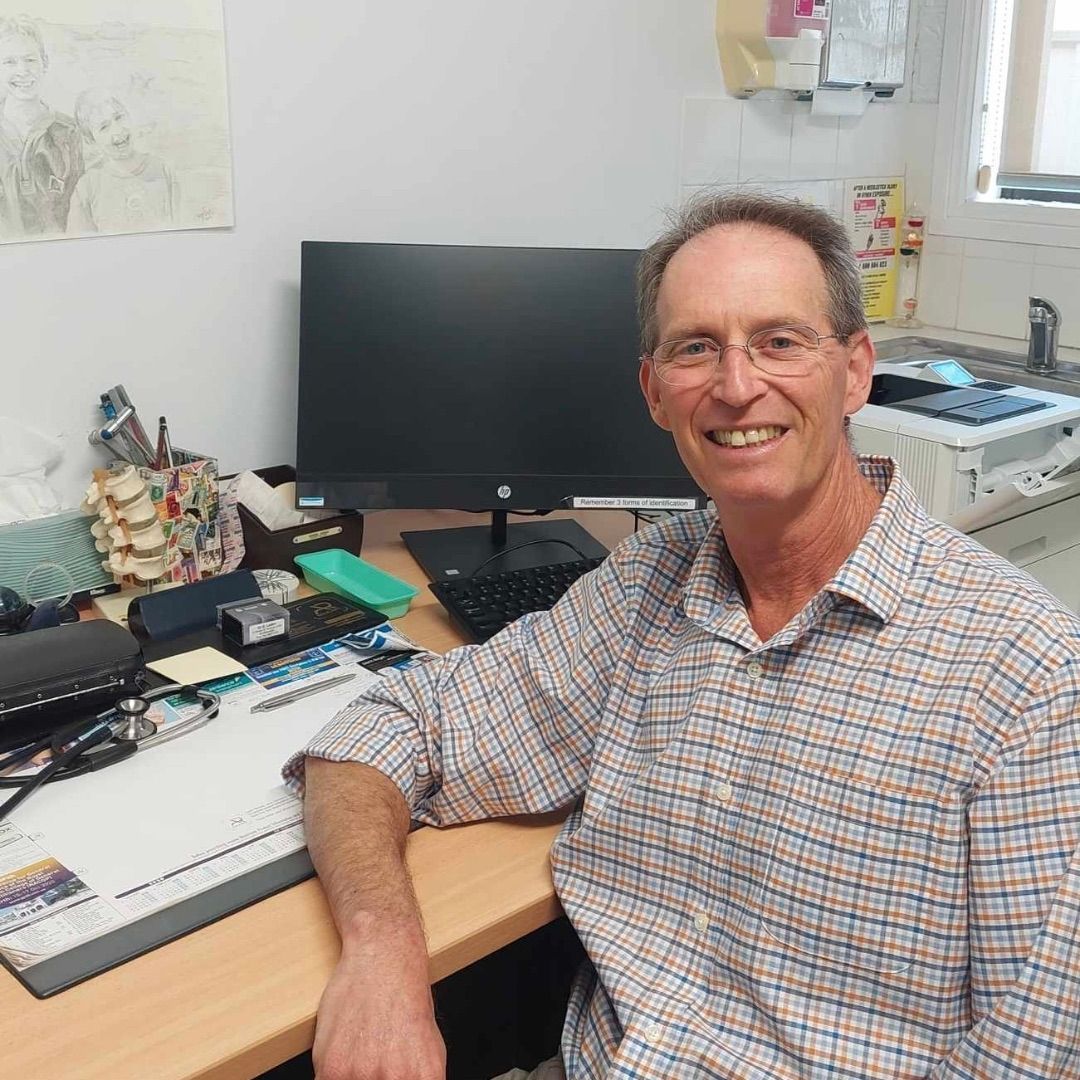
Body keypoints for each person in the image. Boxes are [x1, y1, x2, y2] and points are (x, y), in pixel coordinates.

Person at [283, 192, 1080, 1079]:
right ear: (653, 392)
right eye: (696, 348)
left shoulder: (1028, 679)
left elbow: (1036, 1055)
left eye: (780, 341)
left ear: (855, 371)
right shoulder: (646, 591)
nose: (737, 387)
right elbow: (390, 724)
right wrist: (385, 953)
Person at [0, 15, 83, 238]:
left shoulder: (68, 131)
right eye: (9, 62)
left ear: (44, 62)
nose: (22, 70)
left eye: (30, 60)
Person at [68, 87, 178, 235]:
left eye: (119, 117)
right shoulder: (88, 187)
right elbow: (78, 243)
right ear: (90, 140)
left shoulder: (162, 169)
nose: (117, 130)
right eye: (104, 127)